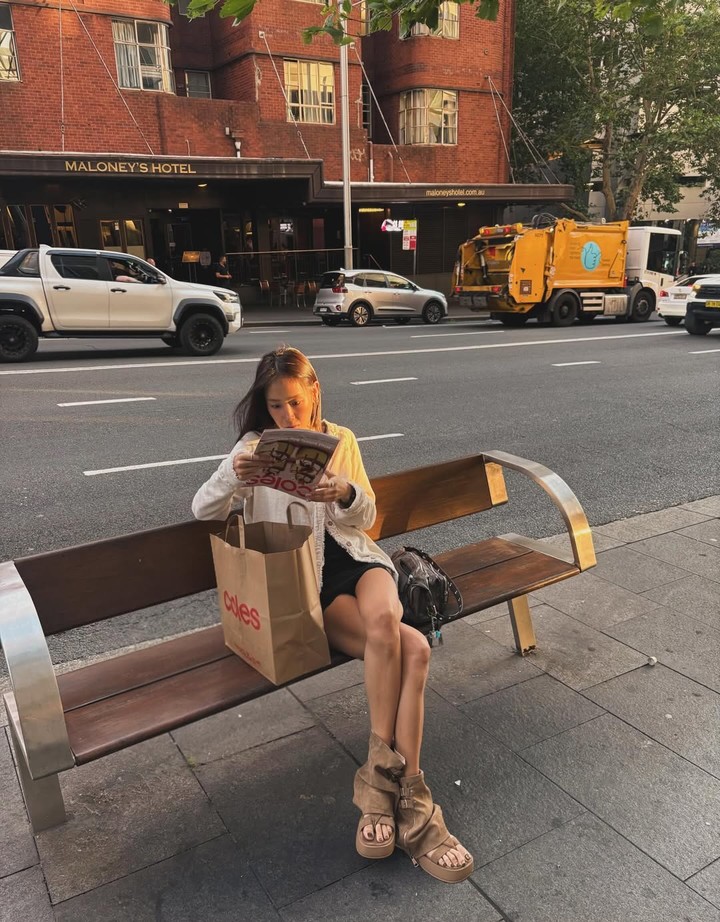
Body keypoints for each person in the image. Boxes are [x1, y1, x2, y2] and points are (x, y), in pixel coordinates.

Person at [191, 347, 474, 884]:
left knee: (386, 622)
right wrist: (233, 474)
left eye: (295, 402)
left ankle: (377, 793)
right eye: (276, 406)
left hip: (360, 562)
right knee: (414, 649)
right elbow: (202, 509)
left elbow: (367, 517)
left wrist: (344, 492)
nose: (287, 416)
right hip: (310, 582)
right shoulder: (252, 449)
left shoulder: (341, 439)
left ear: (314, 390)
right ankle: (412, 800)